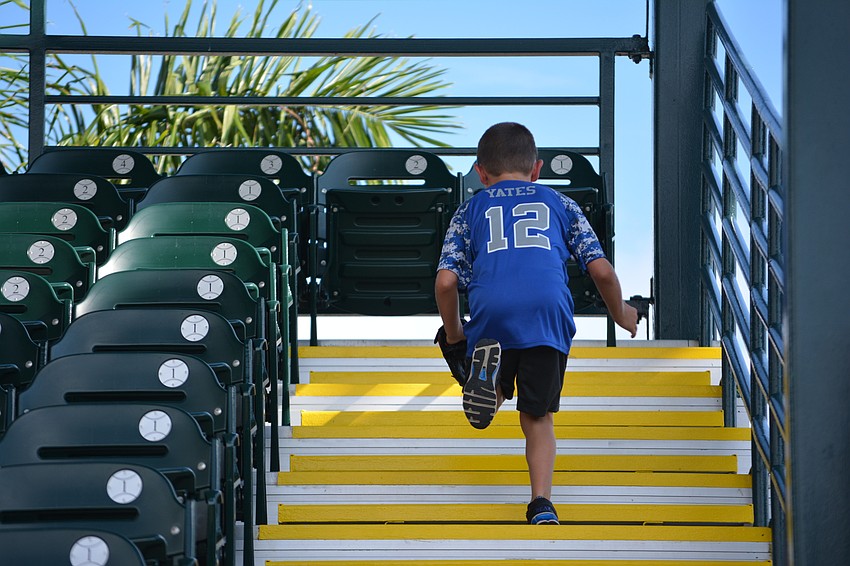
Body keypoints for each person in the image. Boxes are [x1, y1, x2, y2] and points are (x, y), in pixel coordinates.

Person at [434, 122, 638, 525]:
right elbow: (602, 273)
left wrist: (457, 336)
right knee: (538, 417)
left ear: (481, 173)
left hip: (492, 312)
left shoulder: (469, 209)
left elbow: (445, 281)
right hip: (547, 316)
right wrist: (622, 313)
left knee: (487, 361)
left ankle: (488, 390)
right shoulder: (561, 204)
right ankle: (541, 503)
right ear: (537, 169)